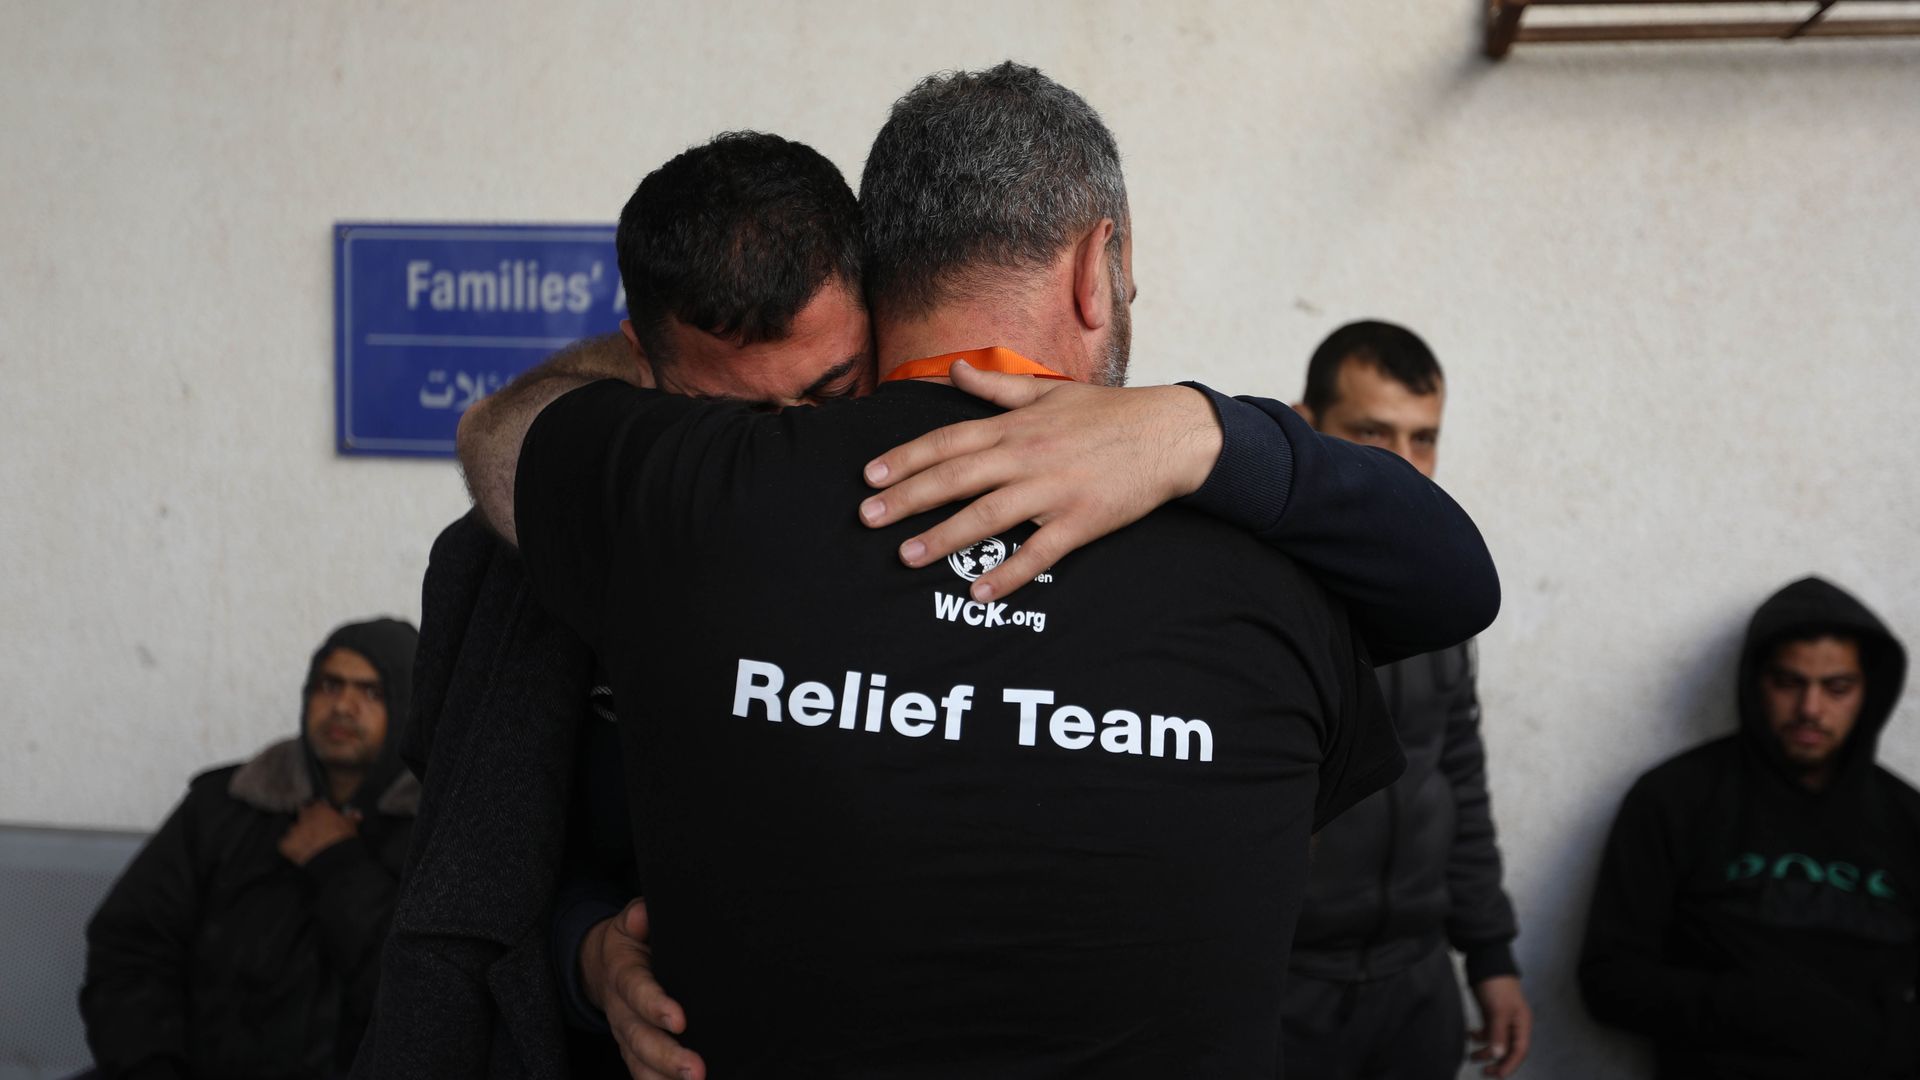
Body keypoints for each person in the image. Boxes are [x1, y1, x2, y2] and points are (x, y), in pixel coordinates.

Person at [360, 124, 1499, 1080]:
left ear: (880, 290)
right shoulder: (683, 506)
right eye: (721, 414)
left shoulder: (1225, 519)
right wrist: (581, 951)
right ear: (1098, 268)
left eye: (823, 391)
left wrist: (1196, 430)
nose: (782, 435)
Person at [1283, 321, 1531, 1080]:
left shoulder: (1440, 599)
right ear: (1303, 425)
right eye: (1371, 432)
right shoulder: (1252, 595)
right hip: (1280, 989)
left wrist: (1489, 954)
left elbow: (1456, 773)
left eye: (1423, 440)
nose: (1403, 465)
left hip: (1418, 984)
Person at [1580, 576, 1920, 1078]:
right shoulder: (1675, 799)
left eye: (1836, 688)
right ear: (1755, 681)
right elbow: (1609, 980)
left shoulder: (1907, 820)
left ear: (1869, 693)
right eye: (1789, 683)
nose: (1810, 709)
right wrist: (1755, 1005)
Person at [81, 617, 420, 1080]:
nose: (343, 706)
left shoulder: (437, 829)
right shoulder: (225, 806)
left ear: (409, 706)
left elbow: (424, 996)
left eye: (371, 693)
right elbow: (131, 949)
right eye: (329, 685)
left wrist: (339, 866)